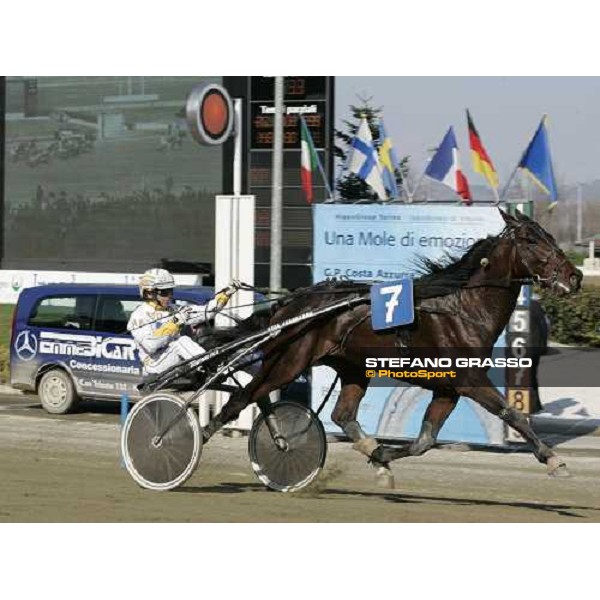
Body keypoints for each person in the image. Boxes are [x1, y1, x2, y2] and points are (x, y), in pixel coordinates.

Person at [127, 268, 237, 378]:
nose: (170, 295)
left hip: (174, 359)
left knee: (217, 343)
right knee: (181, 341)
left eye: (171, 291)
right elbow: (150, 345)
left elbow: (207, 312)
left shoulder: (175, 309)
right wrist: (175, 322)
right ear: (149, 293)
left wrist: (226, 293)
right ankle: (207, 366)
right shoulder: (139, 315)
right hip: (154, 364)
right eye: (165, 292)